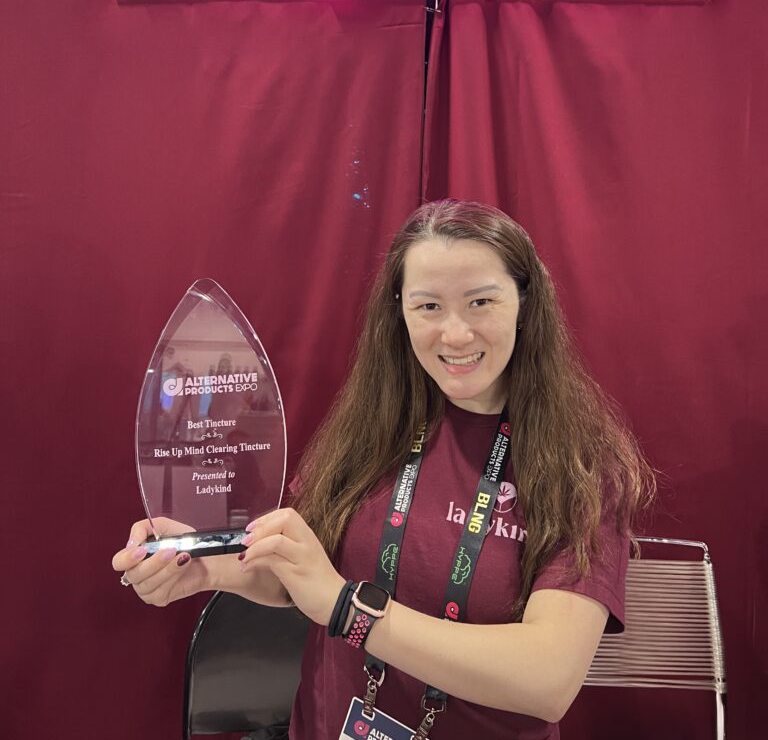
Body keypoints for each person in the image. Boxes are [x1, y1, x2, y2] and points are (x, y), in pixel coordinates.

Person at [113, 199, 655, 740]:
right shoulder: (373, 426)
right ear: (400, 310)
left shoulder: (580, 465)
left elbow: (546, 679)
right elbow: (303, 575)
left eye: (481, 301)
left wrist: (351, 611)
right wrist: (209, 568)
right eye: (428, 307)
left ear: (524, 303)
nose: (456, 334)